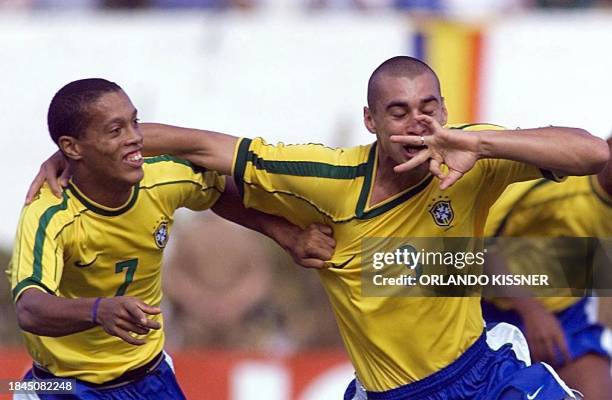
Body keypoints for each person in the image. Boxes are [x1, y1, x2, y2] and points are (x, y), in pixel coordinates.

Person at [31, 57, 609, 399]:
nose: (418, 124)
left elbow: (589, 152)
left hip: (486, 362)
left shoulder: (472, 155)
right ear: (370, 121)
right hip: (427, 326)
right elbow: (201, 145)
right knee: (393, 263)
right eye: (398, 112)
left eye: (429, 108)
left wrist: (480, 143)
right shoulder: (325, 179)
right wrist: (77, 157)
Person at [8, 78, 335, 400]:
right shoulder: (49, 212)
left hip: (149, 376)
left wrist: (287, 235)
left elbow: (218, 189)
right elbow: (30, 308)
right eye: (116, 130)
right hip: (62, 386)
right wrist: (98, 310)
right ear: (72, 147)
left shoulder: (161, 176)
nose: (136, 138)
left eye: (135, 122)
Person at [482, 136, 612, 399]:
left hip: (569, 319)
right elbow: (472, 250)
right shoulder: (552, 183)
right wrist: (532, 312)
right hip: (493, 313)